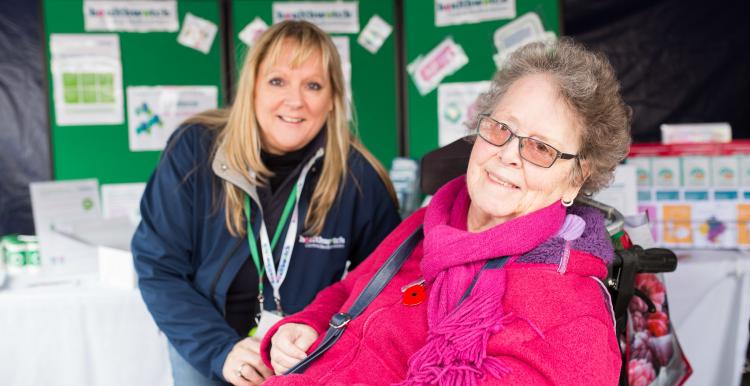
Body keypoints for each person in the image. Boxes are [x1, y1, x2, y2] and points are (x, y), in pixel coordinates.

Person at [260, 38, 632, 386]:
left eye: (540, 148)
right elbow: (350, 290)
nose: (507, 154)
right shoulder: (427, 224)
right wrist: (305, 325)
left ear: (576, 178)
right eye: (501, 128)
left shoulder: (569, 310)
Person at [132, 21, 401, 386]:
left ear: (333, 98)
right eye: (278, 81)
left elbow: (383, 285)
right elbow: (157, 266)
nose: (295, 100)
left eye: (313, 85)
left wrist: (319, 333)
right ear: (253, 88)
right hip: (205, 347)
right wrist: (219, 350)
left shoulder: (359, 178)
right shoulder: (195, 150)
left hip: (301, 356)